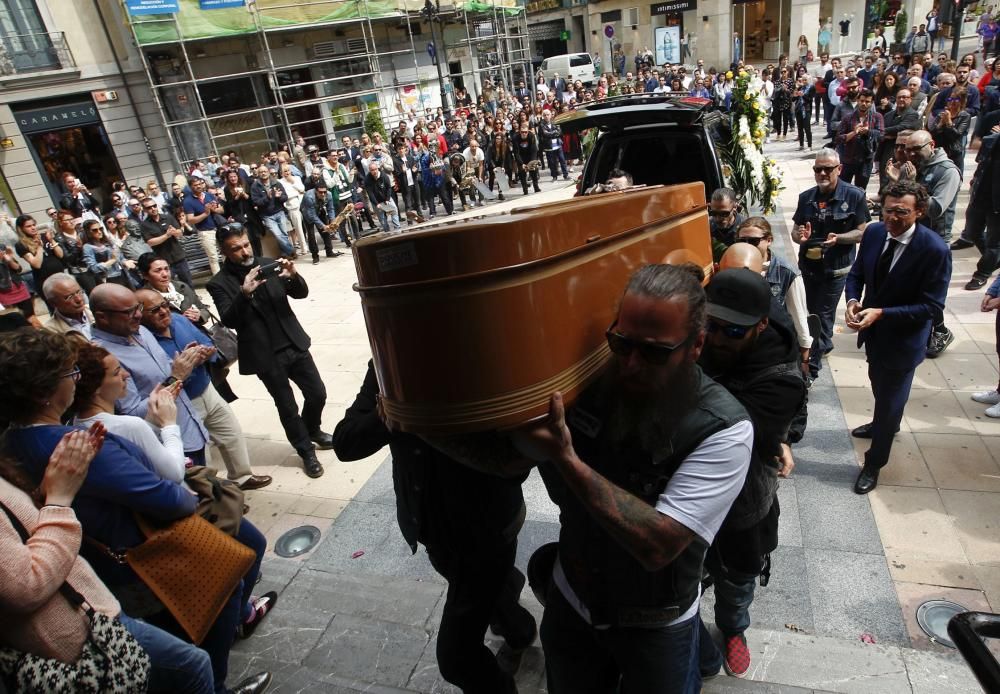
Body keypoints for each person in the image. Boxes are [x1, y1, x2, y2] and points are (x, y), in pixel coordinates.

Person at [0, 329, 273, 694]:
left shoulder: (13, 440)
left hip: (103, 557)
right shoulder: (75, 443)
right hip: (136, 556)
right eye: (70, 374)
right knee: (211, 615)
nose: (75, 380)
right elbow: (164, 496)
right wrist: (189, 498)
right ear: (44, 391)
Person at [332, 361, 537, 694]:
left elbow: (516, 462)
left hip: (486, 532)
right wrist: (391, 414)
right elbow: (345, 442)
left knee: (457, 657)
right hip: (429, 528)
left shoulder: (481, 358)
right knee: (480, 591)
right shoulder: (389, 363)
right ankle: (517, 625)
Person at [0, 429, 236, 694]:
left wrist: (45, 492)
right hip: (78, 639)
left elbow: (19, 528)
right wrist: (58, 500)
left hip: (91, 611)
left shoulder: (17, 444)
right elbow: (24, 585)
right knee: (193, 666)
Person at [697, 269, 806, 679]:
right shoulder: (703, 338)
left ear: (761, 326)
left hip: (743, 500)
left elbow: (726, 431)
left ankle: (733, 629)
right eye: (709, 325)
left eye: (733, 332)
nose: (717, 339)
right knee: (682, 575)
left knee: (738, 575)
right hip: (686, 494)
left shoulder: (781, 378)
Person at [844, 180, 951, 494]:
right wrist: (853, 302)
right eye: (887, 211)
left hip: (904, 341)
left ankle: (875, 462)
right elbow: (857, 274)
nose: (891, 218)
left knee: (890, 401)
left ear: (919, 212)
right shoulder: (876, 233)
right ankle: (883, 425)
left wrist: (882, 313)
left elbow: (931, 306)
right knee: (880, 386)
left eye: (901, 213)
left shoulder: (934, 250)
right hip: (874, 336)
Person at [207, 225, 331, 479]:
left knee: (317, 393)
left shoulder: (269, 264)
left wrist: (292, 276)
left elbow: (301, 293)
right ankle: (306, 450)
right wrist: (244, 293)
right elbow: (229, 319)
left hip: (293, 342)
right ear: (224, 251)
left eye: (245, 245)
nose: (243, 252)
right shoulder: (218, 283)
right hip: (265, 355)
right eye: (236, 249)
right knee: (287, 406)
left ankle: (312, 429)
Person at [135, 289, 272, 491]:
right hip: (183, 401)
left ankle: (241, 478)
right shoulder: (145, 340)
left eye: (164, 305)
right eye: (155, 310)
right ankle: (211, 493)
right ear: (140, 314)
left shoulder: (179, 320)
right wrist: (183, 367)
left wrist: (206, 353)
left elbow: (207, 341)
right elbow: (160, 378)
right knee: (199, 450)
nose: (164, 312)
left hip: (207, 388)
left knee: (230, 432)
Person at [792, 149, 869, 380]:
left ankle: (814, 359)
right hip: (809, 266)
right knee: (811, 309)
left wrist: (840, 238)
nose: (823, 173)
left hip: (836, 268)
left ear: (839, 169)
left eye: (828, 168)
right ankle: (822, 343)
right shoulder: (806, 197)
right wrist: (799, 238)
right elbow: (797, 231)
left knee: (824, 312)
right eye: (818, 169)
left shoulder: (854, 196)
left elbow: (863, 231)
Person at [138, 252, 210, 326]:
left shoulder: (182, 286)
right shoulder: (145, 299)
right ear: (145, 275)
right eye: (158, 271)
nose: (165, 274)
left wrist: (200, 315)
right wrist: (180, 321)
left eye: (166, 269)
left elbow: (204, 309)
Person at [835, 88, 883, 191]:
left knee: (860, 190)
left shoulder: (876, 117)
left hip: (865, 160)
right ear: (858, 100)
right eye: (862, 101)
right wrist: (853, 132)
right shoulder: (848, 118)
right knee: (842, 188)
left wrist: (868, 131)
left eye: (867, 101)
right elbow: (838, 138)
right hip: (848, 159)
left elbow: (881, 135)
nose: (864, 104)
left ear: (872, 103)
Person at [139, 201, 193, 289]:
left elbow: (180, 233)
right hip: (163, 261)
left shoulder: (168, 218)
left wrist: (174, 232)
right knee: (169, 286)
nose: (153, 209)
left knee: (188, 283)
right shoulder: (144, 225)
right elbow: (150, 242)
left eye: (154, 206)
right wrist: (166, 235)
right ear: (145, 210)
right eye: (149, 207)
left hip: (178, 257)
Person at [16, 214, 67, 300]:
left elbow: (60, 255)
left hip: (60, 276)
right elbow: (36, 264)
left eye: (33, 225)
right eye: (28, 226)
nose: (33, 228)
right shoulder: (21, 245)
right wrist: (39, 247)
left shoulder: (44, 236)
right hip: (45, 281)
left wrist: (51, 240)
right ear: (21, 229)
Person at [250, 164, 295, 258]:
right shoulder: (255, 186)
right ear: (258, 174)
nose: (263, 173)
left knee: (283, 234)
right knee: (278, 235)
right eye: (261, 172)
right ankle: (291, 251)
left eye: (265, 171)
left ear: (268, 172)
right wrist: (267, 198)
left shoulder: (276, 182)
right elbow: (255, 202)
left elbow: (285, 197)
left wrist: (279, 197)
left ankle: (285, 254)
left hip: (279, 211)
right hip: (267, 215)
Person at [300, 181, 343, 264]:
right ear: (316, 191)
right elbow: (312, 215)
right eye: (320, 192)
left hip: (319, 209)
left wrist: (332, 221)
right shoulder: (309, 197)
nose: (323, 194)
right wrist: (322, 226)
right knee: (311, 234)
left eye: (324, 192)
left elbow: (330, 209)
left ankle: (329, 251)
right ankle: (315, 256)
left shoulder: (329, 194)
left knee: (327, 231)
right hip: (308, 212)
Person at [42, 272, 94, 338]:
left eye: (79, 292)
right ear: (53, 303)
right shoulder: (50, 333)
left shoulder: (95, 311)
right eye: (69, 297)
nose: (79, 299)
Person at [81, 220, 130, 289]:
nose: (99, 231)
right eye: (95, 230)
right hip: (108, 279)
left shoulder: (108, 241)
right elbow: (93, 268)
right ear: (88, 232)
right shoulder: (87, 247)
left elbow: (119, 256)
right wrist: (111, 261)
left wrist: (125, 262)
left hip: (122, 273)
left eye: (100, 229)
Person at [707, 188, 745, 260]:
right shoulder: (706, 227)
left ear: (735, 207)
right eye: (714, 213)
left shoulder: (746, 228)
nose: (718, 219)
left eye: (724, 213)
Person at [365, 161, 401, 232]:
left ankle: (397, 228)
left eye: (375, 169)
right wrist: (376, 203)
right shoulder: (367, 179)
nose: (374, 171)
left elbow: (389, 188)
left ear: (377, 169)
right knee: (382, 219)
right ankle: (387, 231)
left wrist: (387, 199)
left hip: (386, 198)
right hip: (377, 201)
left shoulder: (384, 176)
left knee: (394, 210)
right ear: (370, 171)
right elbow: (370, 193)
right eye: (372, 170)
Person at [511, 122, 542, 195]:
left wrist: (532, 162)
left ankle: (536, 187)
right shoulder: (515, 138)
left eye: (525, 132)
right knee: (522, 174)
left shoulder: (531, 136)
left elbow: (534, 150)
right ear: (519, 131)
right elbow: (516, 152)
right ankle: (525, 189)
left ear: (528, 131)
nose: (524, 133)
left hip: (530, 155)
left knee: (534, 172)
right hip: (521, 156)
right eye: (522, 132)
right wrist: (521, 164)